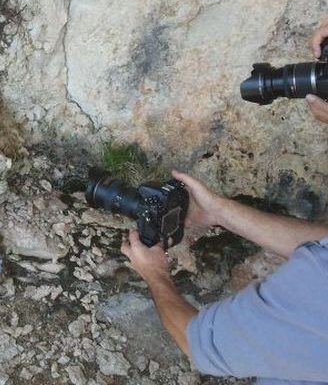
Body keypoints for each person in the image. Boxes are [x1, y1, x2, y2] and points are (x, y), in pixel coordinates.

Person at [120, 23, 328, 385]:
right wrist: (219, 211)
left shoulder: (314, 300)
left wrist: (154, 273)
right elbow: (322, 248)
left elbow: (199, 343)